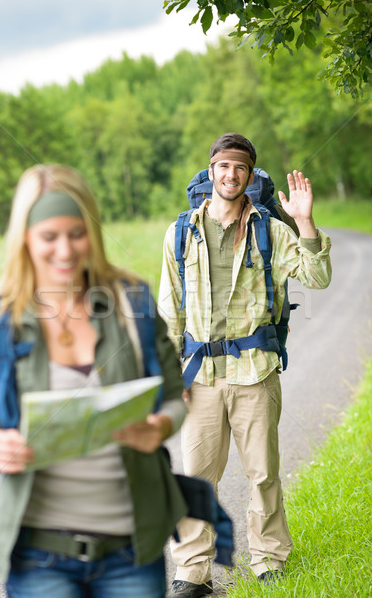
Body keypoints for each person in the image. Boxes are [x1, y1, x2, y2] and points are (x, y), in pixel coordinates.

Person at [0, 163, 188, 598]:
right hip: (38, 555)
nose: (66, 251)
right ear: (25, 239)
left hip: (132, 549)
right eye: (49, 237)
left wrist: (160, 427)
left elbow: (174, 398)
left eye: (77, 233)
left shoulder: (133, 303)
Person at [158, 133, 332, 597]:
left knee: (263, 473)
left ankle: (268, 559)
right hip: (200, 378)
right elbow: (168, 311)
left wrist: (305, 222)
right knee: (196, 477)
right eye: (222, 166)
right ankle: (193, 571)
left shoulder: (269, 230)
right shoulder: (181, 233)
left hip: (256, 371)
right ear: (210, 171)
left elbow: (317, 277)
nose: (230, 174)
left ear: (249, 176)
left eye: (239, 168)